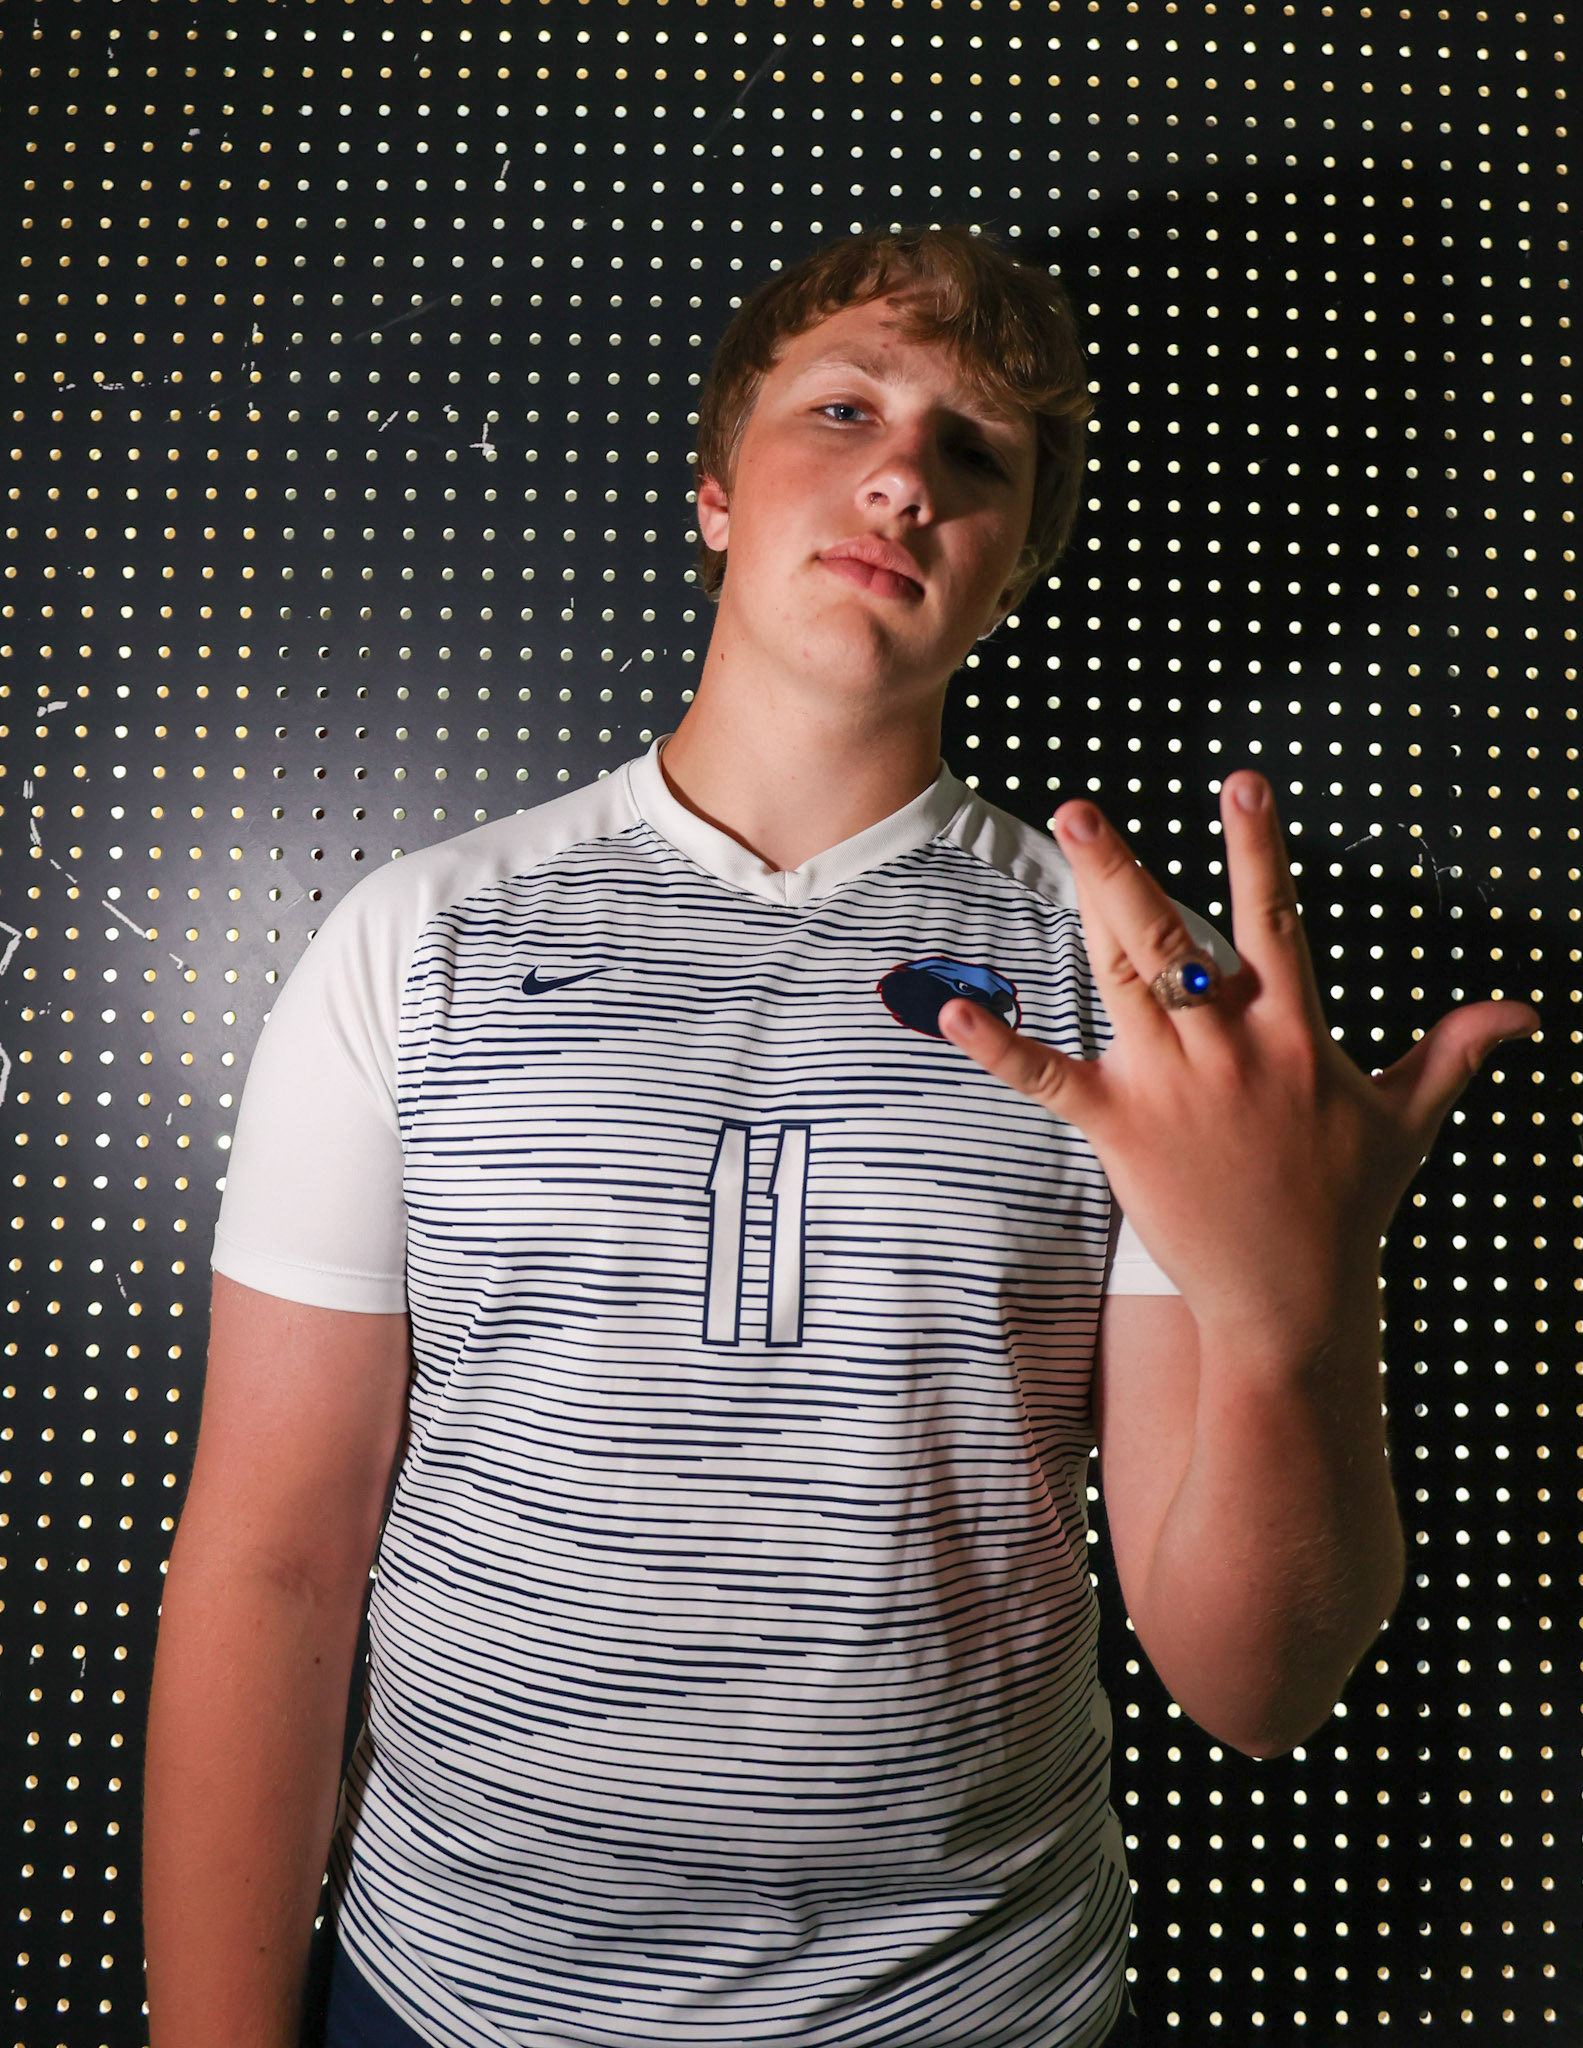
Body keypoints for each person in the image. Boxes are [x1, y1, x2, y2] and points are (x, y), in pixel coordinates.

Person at [142, 225, 1537, 2048]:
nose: (902, 473)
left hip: (976, 2003)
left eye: (978, 455)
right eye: (847, 408)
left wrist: (1298, 1322)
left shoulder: (1144, 995)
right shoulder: (420, 940)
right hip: (459, 1996)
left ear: (1014, 567)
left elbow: (1254, 1687)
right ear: (719, 493)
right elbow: (273, 1558)